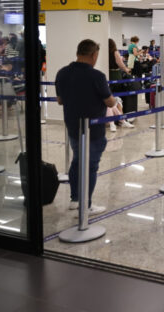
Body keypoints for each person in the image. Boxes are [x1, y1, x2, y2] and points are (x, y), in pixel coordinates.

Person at [55, 40, 117, 215]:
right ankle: (86, 206)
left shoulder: (62, 73)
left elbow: (60, 101)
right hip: (93, 129)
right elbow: (110, 102)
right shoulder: (97, 76)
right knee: (90, 166)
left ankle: (75, 199)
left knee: (77, 161)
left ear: (78, 52)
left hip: (72, 125)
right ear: (94, 55)